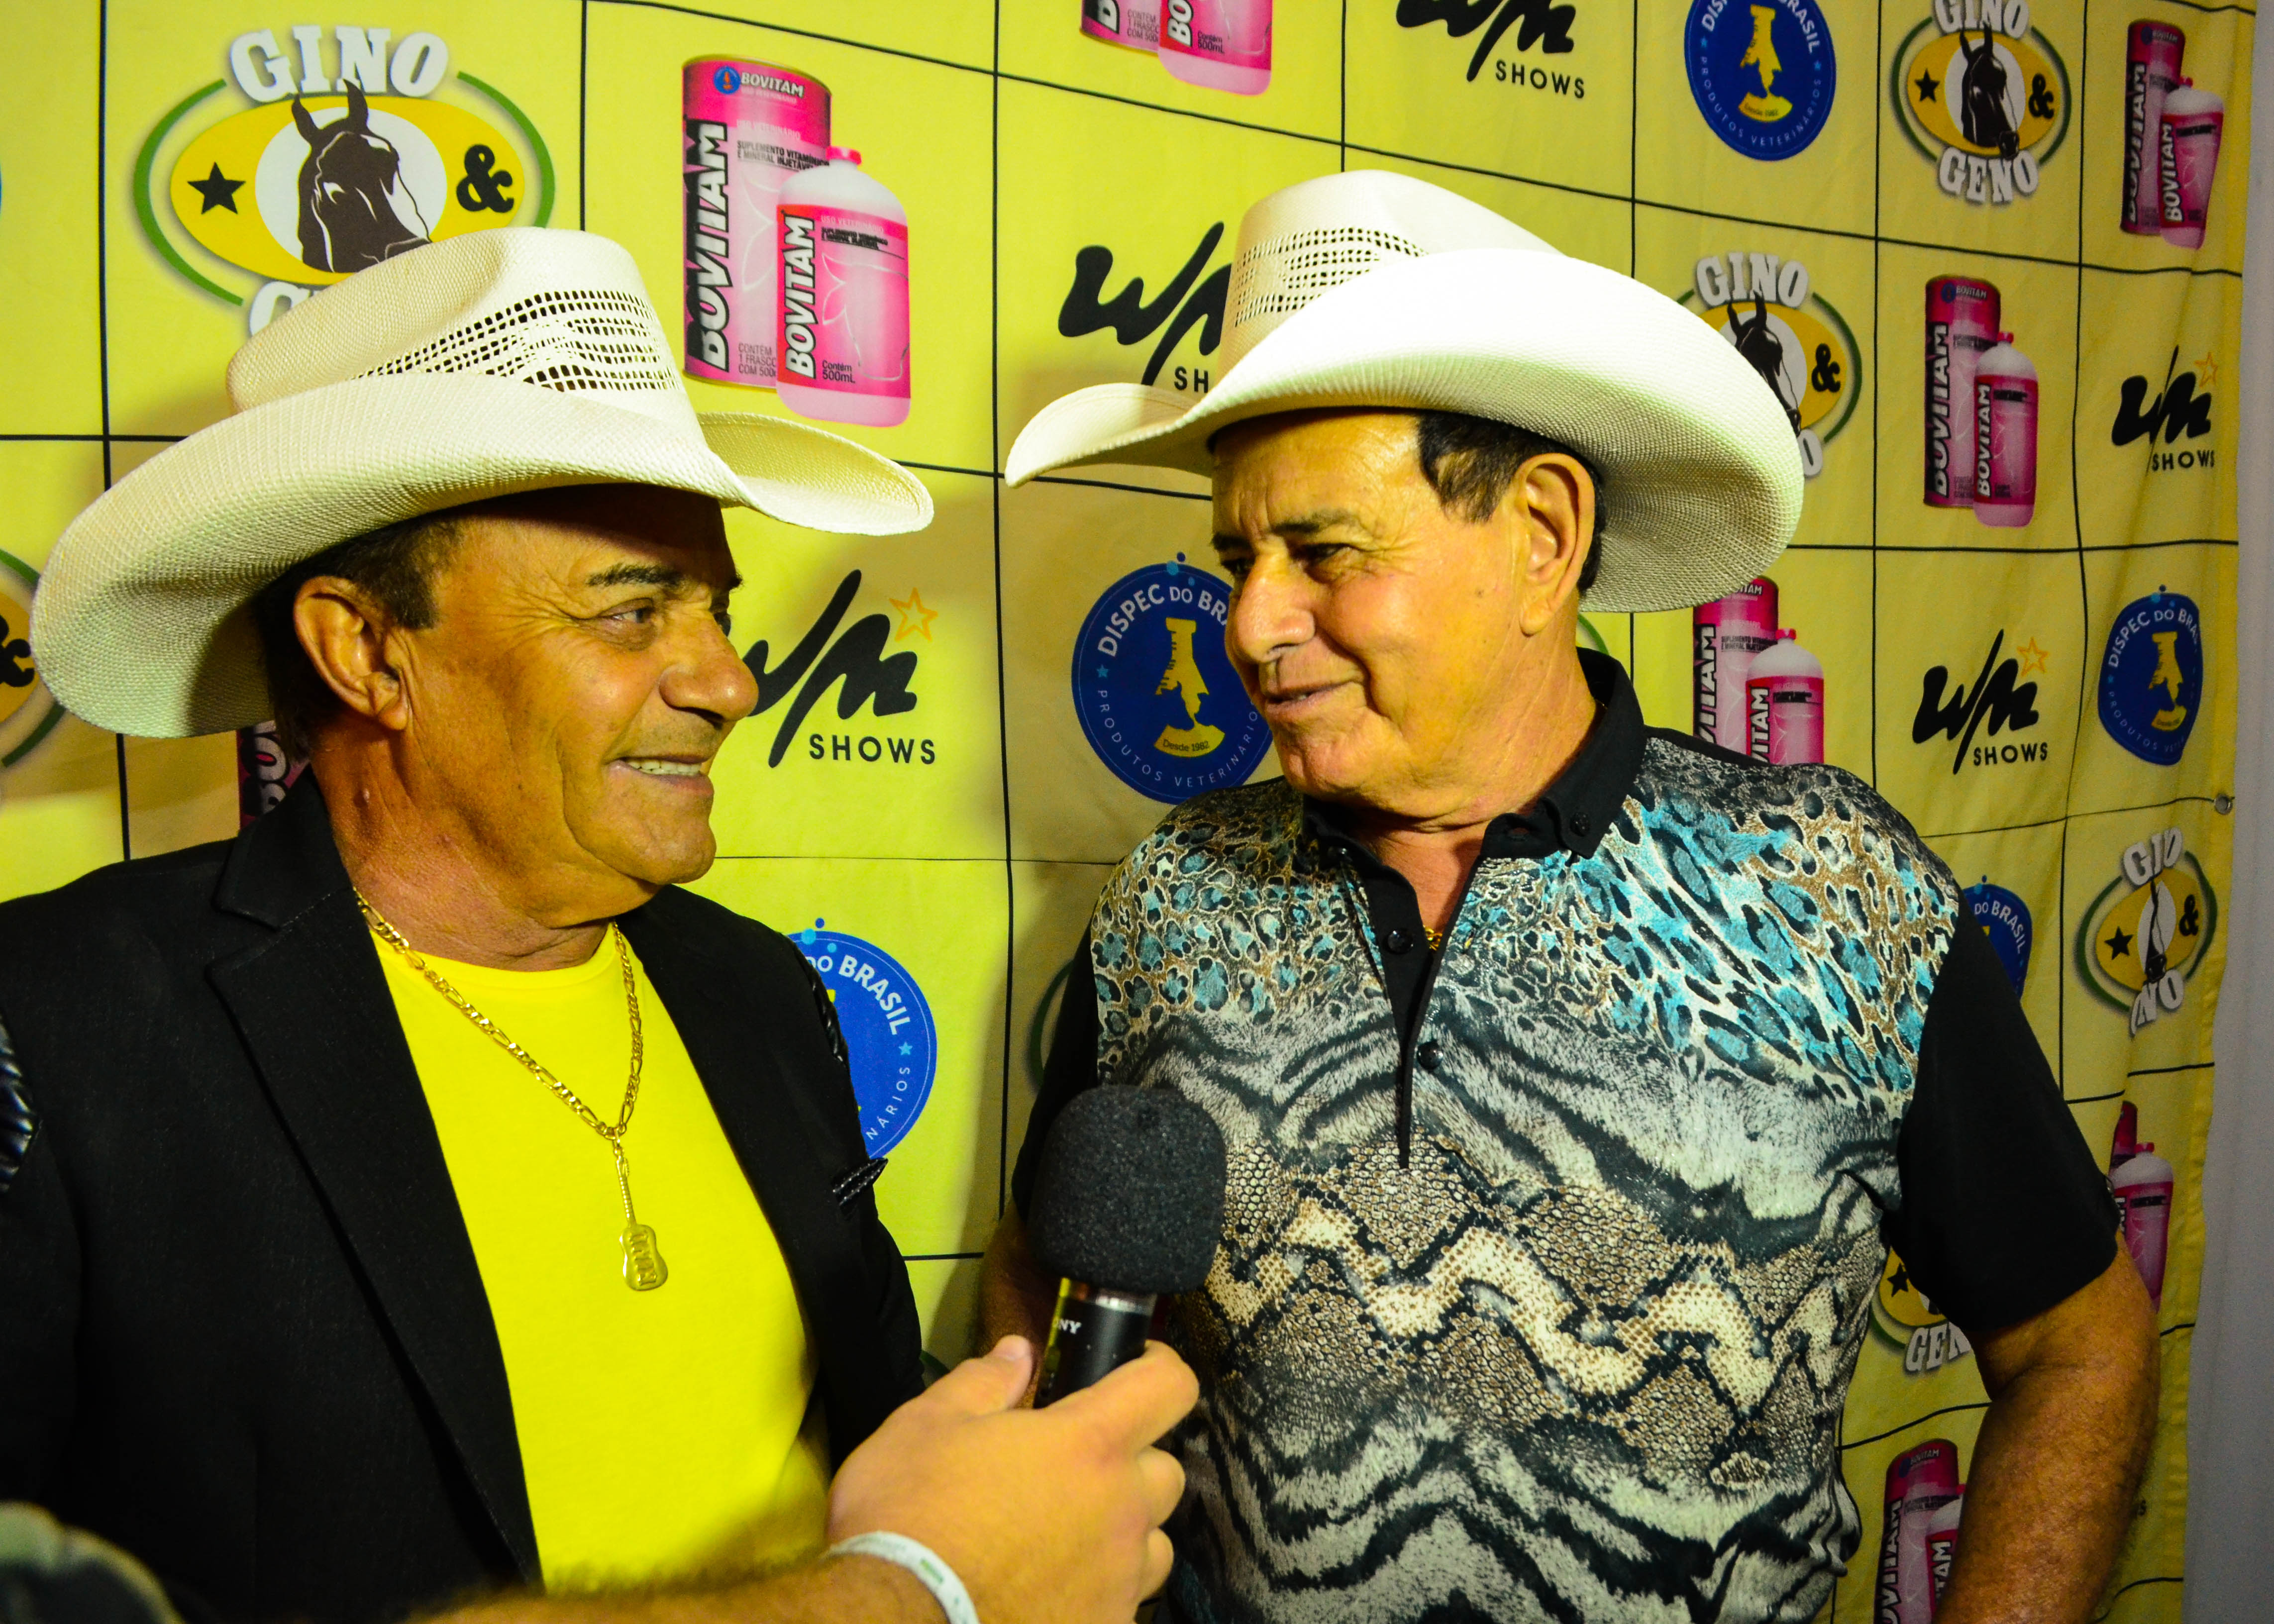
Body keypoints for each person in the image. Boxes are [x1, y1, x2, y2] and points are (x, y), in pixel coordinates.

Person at [983, 171, 2158, 1623]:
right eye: (1239, 558)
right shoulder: (1174, 895)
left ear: (1540, 536)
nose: (1251, 621)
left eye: (1324, 554)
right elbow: (1040, 1273)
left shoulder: (1833, 890)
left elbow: (2079, 1346)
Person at [0, 228, 1192, 1624]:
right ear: (368, 651)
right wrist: (911, 1597)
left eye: (716, 612)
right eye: (632, 614)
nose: (730, 682)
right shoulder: (63, 1028)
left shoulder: (760, 994)